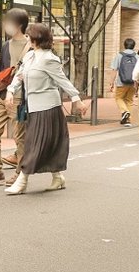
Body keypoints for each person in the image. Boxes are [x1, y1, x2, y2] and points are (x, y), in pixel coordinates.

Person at [5, 23, 86, 194]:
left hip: (48, 108)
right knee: (42, 143)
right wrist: (10, 91)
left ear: (36, 38)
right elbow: (19, 76)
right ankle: (57, 177)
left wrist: (76, 99)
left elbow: (62, 80)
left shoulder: (49, 59)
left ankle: (22, 180)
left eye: (28, 36)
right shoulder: (29, 56)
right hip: (33, 108)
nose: (26, 38)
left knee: (34, 144)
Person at [0, 8, 31, 186]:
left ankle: (20, 174)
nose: (5, 25)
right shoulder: (5, 46)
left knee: (20, 137)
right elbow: (1, 72)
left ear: (19, 25)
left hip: (19, 97)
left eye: (8, 22)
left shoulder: (31, 46)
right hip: (3, 96)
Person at [110, 38, 139, 127]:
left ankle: (124, 111)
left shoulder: (119, 55)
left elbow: (114, 69)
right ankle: (127, 121)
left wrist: (111, 82)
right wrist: (137, 84)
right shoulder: (137, 56)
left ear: (124, 45)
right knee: (129, 100)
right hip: (133, 82)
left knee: (118, 98)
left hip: (121, 82)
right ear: (133, 46)